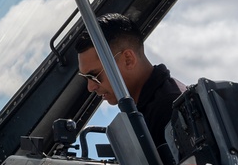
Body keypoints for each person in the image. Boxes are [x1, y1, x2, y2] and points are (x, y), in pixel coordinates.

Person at [76, 13, 185, 150]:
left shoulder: (170, 109)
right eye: (86, 78)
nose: (91, 87)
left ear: (128, 59)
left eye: (94, 76)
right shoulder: (149, 109)